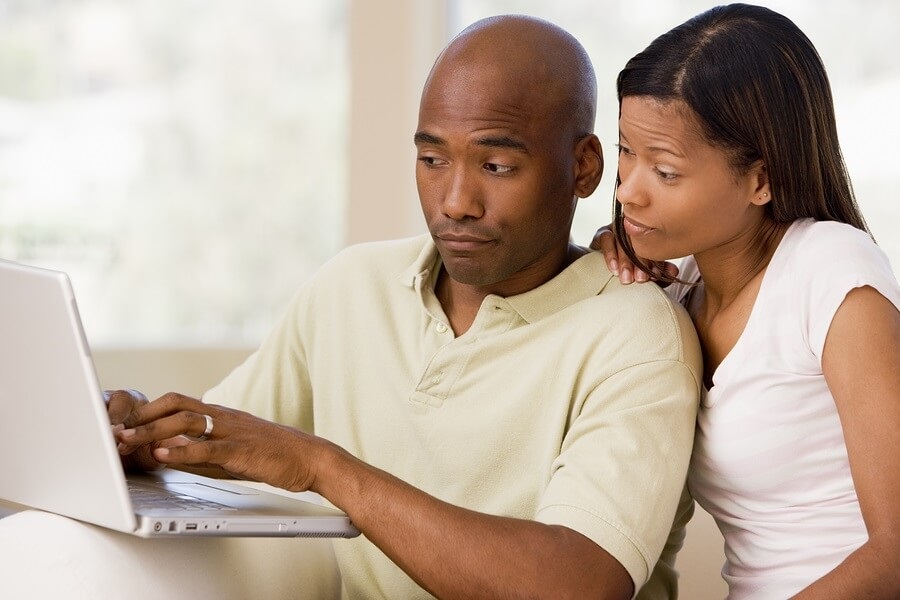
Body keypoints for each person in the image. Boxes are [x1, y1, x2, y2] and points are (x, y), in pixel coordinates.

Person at [109, 15, 703, 600]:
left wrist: (324, 468)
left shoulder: (639, 336)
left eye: (496, 166)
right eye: (432, 160)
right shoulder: (351, 286)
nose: (455, 202)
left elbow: (577, 585)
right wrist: (141, 428)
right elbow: (230, 437)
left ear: (583, 167)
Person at [592, 4, 900, 599]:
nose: (628, 188)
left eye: (666, 170)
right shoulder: (680, 283)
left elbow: (895, 552)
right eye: (626, 150)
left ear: (762, 180)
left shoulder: (830, 272)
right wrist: (608, 258)